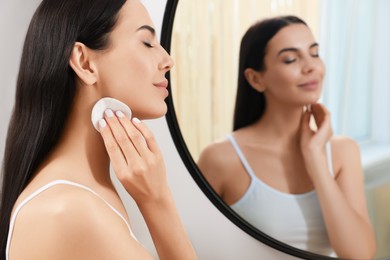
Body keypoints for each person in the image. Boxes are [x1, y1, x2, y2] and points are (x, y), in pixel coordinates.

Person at [0, 0, 197, 259]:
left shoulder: (91, 192)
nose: (167, 60)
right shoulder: (67, 209)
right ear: (84, 62)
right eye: (147, 42)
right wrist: (158, 201)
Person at [198, 16, 376, 259]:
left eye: (314, 53)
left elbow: (359, 254)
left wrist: (315, 159)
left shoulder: (343, 151)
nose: (310, 66)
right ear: (256, 79)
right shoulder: (221, 158)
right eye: (291, 59)